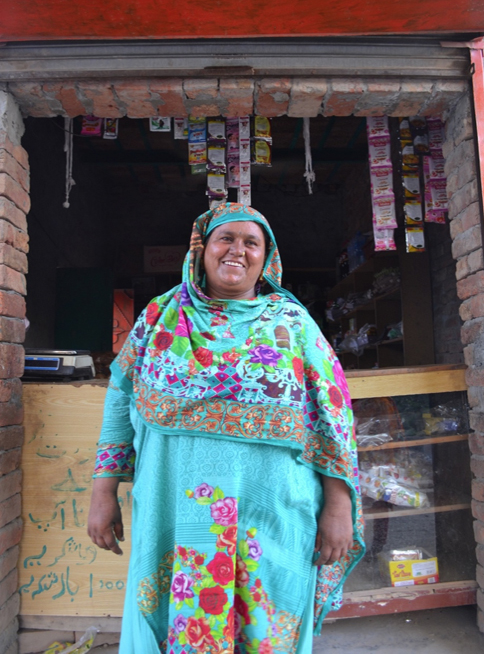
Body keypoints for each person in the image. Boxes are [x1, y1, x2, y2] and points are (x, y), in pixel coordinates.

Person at [88, 202, 364, 654]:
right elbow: (120, 402)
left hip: (273, 514)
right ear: (202, 249)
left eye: (251, 242)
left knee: (266, 628)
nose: (237, 250)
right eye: (225, 239)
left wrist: (339, 506)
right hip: (179, 513)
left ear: (265, 257)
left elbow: (334, 416)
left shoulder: (293, 324)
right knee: (186, 618)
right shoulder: (160, 318)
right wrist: (103, 491)